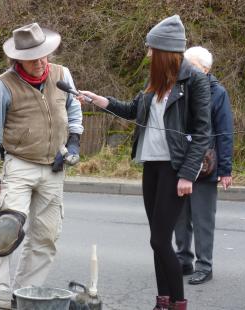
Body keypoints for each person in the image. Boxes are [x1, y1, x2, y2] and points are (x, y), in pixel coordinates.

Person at [78, 15, 211, 310]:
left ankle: (178, 303)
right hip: (151, 166)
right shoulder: (156, 82)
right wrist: (99, 100)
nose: (148, 54)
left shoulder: (195, 82)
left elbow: (203, 133)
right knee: (156, 240)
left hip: (174, 168)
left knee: (161, 240)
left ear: (165, 51)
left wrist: (188, 174)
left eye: (152, 49)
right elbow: (132, 110)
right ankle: (162, 302)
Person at [0, 23, 83, 310]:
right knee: (6, 230)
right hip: (19, 164)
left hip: (54, 167)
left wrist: (73, 144)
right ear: (17, 58)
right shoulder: (2, 85)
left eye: (44, 55)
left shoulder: (62, 75)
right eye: (33, 58)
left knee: (46, 236)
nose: (40, 62)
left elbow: (74, 111)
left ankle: (22, 293)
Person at [173, 46, 234, 285]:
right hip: (180, 161)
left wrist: (225, 169)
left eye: (192, 65)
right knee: (180, 215)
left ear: (206, 69)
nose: (185, 69)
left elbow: (225, 132)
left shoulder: (218, 93)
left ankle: (204, 265)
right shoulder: (179, 88)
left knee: (202, 219)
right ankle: (183, 259)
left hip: (206, 164)